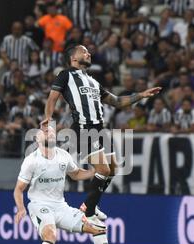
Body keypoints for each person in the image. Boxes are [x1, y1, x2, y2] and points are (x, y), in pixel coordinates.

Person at [42, 44, 162, 226]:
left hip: (100, 129)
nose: (88, 53)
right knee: (104, 170)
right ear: (73, 58)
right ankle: (88, 210)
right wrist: (48, 119)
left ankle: (92, 204)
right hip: (84, 128)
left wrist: (141, 95)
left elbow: (118, 102)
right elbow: (52, 99)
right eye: (83, 51)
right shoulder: (65, 75)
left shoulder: (93, 81)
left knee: (113, 168)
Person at [13, 126, 135, 244]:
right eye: (44, 132)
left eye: (51, 131)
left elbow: (76, 174)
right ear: (37, 139)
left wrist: (95, 172)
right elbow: (19, 189)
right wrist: (21, 208)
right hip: (39, 205)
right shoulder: (31, 160)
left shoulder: (63, 155)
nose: (49, 133)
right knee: (50, 234)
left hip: (60, 206)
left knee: (98, 226)